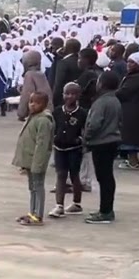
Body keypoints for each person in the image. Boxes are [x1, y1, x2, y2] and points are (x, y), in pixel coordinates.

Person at [83, 71, 123, 224]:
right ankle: (106, 209)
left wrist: (86, 137)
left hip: (101, 142)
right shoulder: (115, 101)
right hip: (113, 140)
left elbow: (94, 123)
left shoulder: (101, 102)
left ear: (102, 84)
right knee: (107, 177)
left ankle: (105, 211)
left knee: (104, 178)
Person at [12, 91, 54, 226]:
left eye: (37, 103)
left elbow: (42, 145)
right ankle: (32, 212)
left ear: (44, 104)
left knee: (38, 187)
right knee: (32, 187)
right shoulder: (33, 117)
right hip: (30, 160)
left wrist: (38, 164)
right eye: (31, 102)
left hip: (37, 161)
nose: (32, 105)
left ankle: (38, 215)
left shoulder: (43, 120)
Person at [50, 82, 88, 218]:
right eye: (67, 93)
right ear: (63, 94)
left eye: (73, 94)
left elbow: (86, 130)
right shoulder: (57, 111)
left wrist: (81, 140)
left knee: (74, 175)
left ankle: (76, 203)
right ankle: (59, 206)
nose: (69, 96)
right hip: (59, 148)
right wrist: (54, 138)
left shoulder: (82, 113)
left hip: (74, 149)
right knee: (61, 175)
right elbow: (53, 127)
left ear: (78, 95)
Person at [116, 54, 139, 170]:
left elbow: (124, 92)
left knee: (131, 137)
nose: (129, 64)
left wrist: (111, 93)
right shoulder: (136, 75)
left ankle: (133, 161)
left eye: (132, 62)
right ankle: (132, 160)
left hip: (133, 111)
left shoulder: (137, 78)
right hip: (132, 109)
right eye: (128, 62)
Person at [15, 50, 51, 120]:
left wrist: (21, 113)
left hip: (38, 112)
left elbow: (27, 95)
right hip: (47, 110)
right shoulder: (41, 74)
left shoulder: (29, 74)